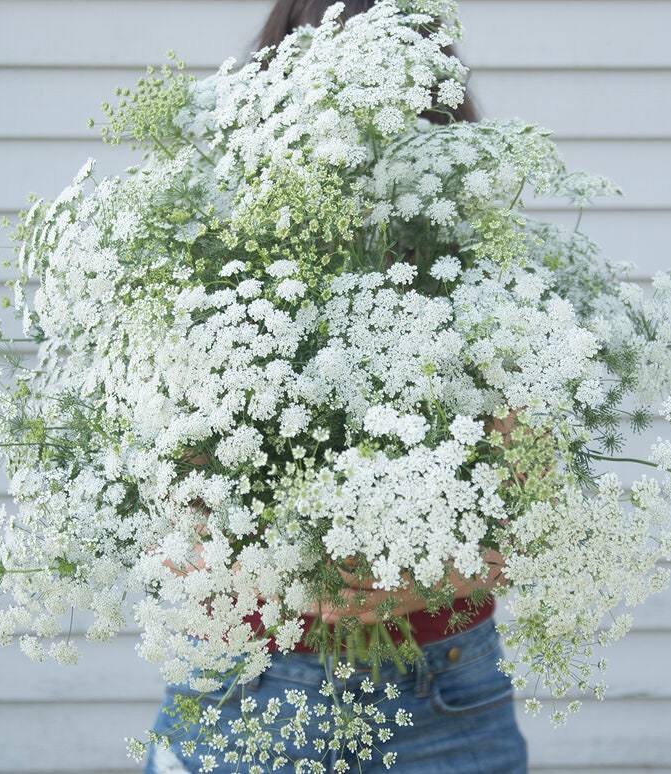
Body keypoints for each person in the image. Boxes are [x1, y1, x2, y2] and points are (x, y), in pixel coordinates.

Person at [144, 2, 528, 772]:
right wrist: (289, 571)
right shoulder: (201, 263)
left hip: (443, 693)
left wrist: (411, 578)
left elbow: (526, 513)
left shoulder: (489, 276)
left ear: (429, 96)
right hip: (248, 688)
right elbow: (165, 516)